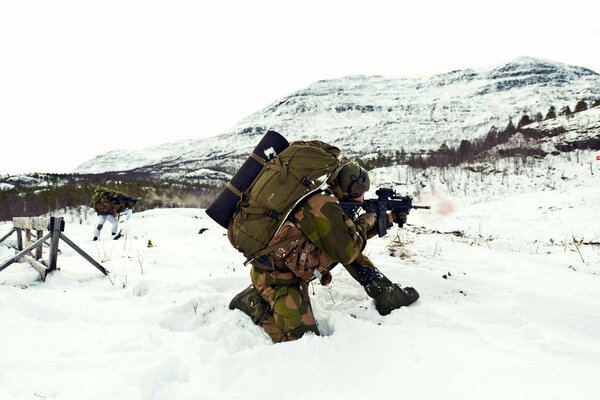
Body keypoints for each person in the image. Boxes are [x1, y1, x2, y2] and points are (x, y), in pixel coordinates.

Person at [229, 161, 419, 342]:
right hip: (277, 279)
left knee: (346, 248)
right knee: (302, 339)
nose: (362, 198)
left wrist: (387, 219)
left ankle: (386, 294)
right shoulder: (322, 205)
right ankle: (252, 301)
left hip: (293, 268)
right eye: (361, 192)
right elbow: (347, 248)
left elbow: (344, 238)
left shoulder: (327, 199)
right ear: (353, 188)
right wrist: (367, 220)